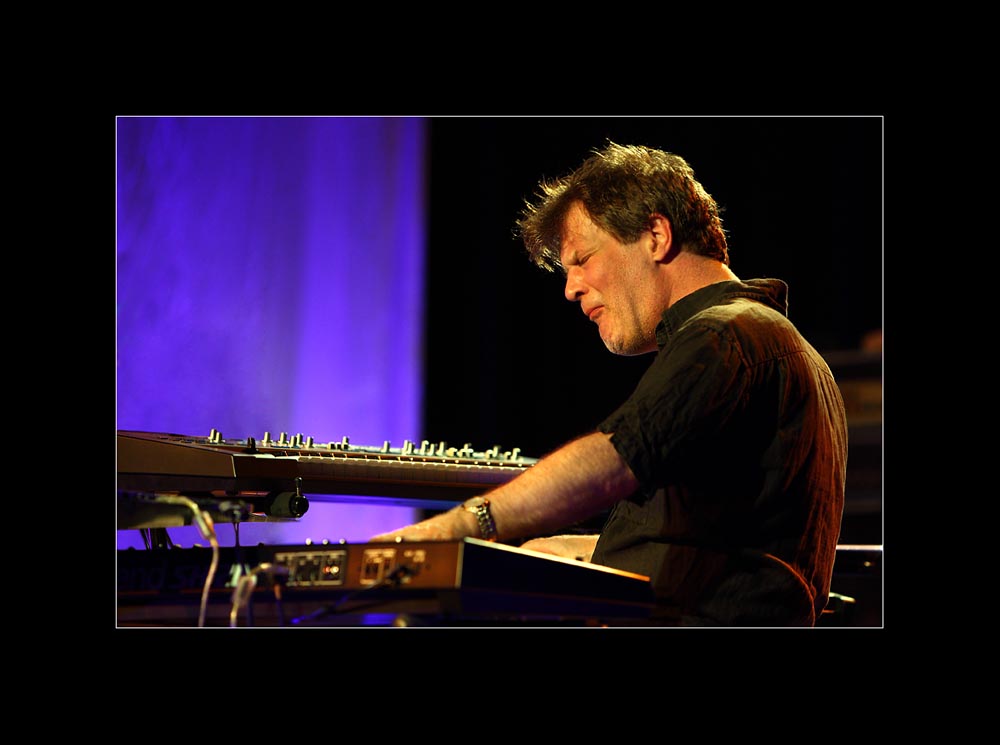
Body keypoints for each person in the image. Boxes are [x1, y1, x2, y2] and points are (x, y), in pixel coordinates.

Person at [371, 142, 847, 627]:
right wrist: (587, 551)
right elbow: (722, 542)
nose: (570, 288)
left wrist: (462, 526)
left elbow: (619, 455)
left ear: (656, 236)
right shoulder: (773, 346)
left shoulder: (727, 333)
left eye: (582, 258)